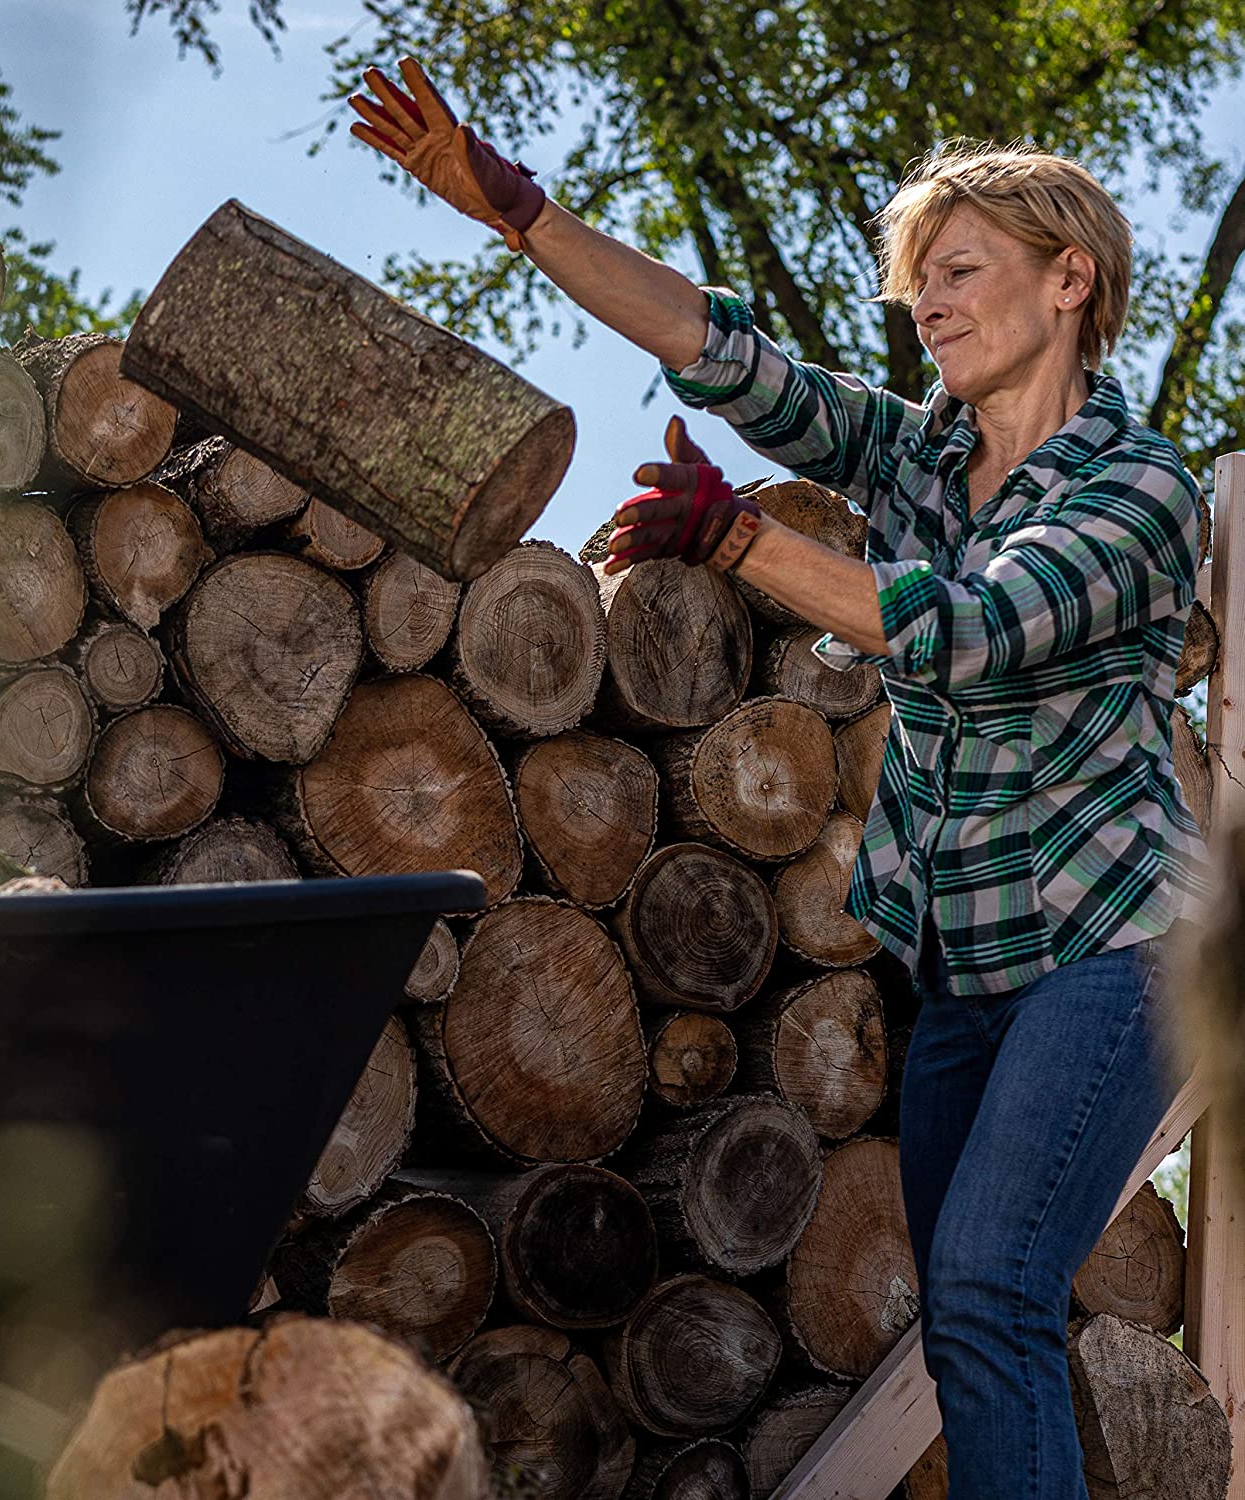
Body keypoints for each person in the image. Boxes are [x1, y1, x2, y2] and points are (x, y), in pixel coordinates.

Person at [350, 57, 1212, 1499]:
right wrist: (519, 213)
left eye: (958, 270)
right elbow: (728, 354)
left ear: (1072, 281)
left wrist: (737, 541)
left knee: (993, 1293)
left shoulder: (1135, 490)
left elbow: (968, 625)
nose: (924, 303)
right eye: (913, 284)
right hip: (968, 970)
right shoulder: (925, 457)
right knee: (968, 1319)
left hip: (1114, 950)